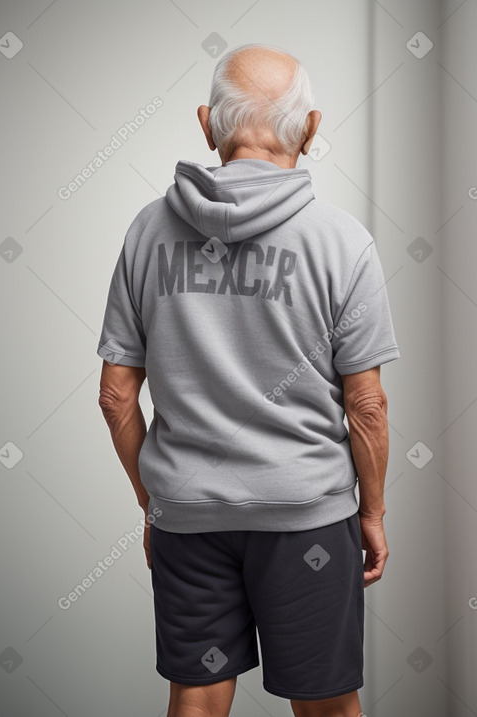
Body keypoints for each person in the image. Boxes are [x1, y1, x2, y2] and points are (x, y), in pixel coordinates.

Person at [97, 42, 400, 717]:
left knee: (198, 699)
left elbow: (115, 393)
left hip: (189, 515)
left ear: (208, 124)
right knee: (326, 705)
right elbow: (368, 404)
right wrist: (372, 513)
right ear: (312, 129)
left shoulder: (147, 232)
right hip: (309, 518)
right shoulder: (342, 241)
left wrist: (157, 501)